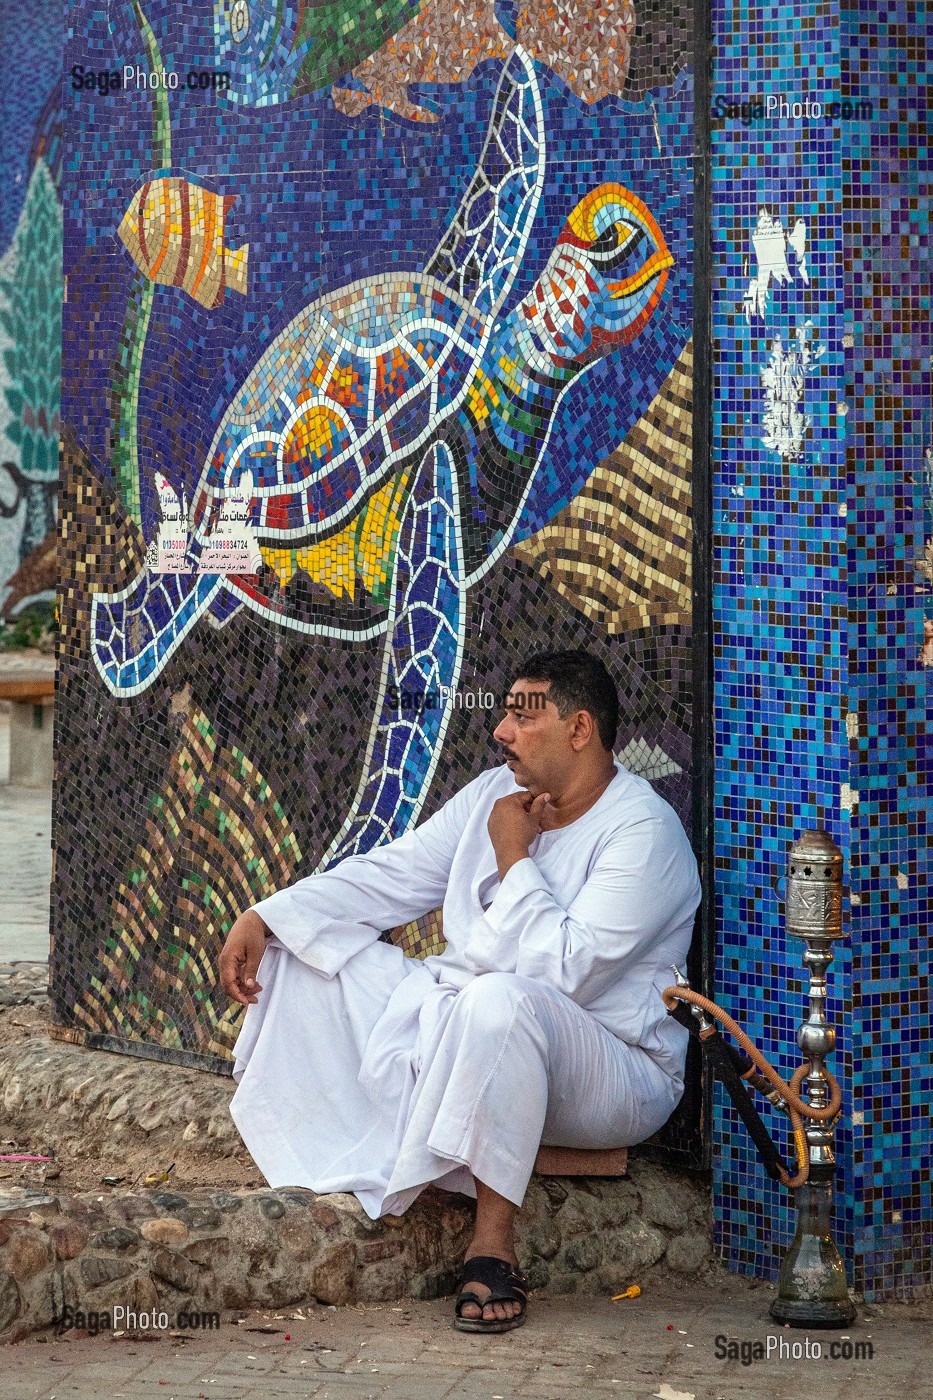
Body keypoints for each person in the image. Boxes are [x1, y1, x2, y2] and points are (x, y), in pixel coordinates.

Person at [219, 650, 701, 1332]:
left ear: (579, 729)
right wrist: (264, 918)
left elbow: (561, 971)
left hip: (611, 1072)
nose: (500, 731)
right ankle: (446, 1147)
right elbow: (391, 876)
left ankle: (491, 1243)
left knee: (497, 1002)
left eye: (520, 715)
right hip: (470, 1020)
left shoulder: (642, 833)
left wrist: (512, 856)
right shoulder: (488, 796)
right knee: (301, 954)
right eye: (502, 712)